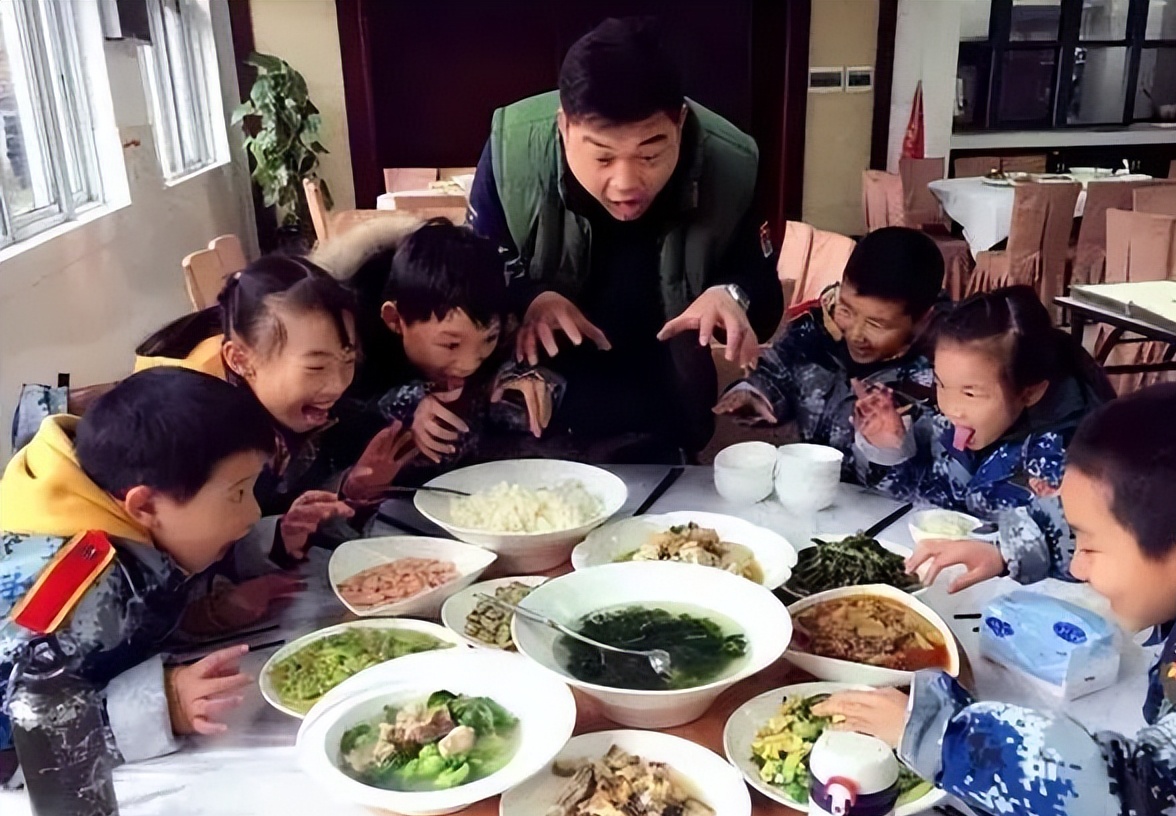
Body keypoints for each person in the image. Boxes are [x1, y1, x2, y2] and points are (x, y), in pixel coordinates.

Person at [816, 381, 1176, 816]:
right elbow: (1112, 505)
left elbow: (1151, 801)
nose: (1078, 565)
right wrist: (1013, 545)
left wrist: (941, 734)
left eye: (1090, 546)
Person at [467, 16, 783, 462]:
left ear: (681, 123)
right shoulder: (512, 154)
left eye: (650, 155)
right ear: (564, 128)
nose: (626, 184)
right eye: (602, 157)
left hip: (667, 402)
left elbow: (763, 293)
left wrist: (731, 294)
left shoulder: (731, 161)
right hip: (545, 401)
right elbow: (472, 282)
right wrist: (529, 296)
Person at [0, 369, 286, 768]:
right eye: (238, 492)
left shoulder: (121, 515)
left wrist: (203, 611)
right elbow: (15, 735)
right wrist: (160, 705)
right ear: (145, 505)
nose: (254, 512)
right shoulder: (67, 585)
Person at [135, 256, 414, 561]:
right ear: (240, 360)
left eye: (348, 361)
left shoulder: (314, 408)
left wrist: (349, 487)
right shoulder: (196, 440)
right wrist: (271, 541)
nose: (337, 385)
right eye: (316, 367)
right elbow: (187, 557)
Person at [853, 286, 1114, 590]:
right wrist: (891, 450)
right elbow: (929, 500)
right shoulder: (952, 424)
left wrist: (1004, 552)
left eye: (970, 393)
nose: (951, 407)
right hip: (955, 583)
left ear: (1029, 392)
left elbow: (1090, 550)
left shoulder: (1073, 458)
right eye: (940, 384)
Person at [713, 227, 944, 482]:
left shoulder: (945, 378)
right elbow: (778, 373)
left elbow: (936, 483)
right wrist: (755, 395)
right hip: (812, 486)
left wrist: (888, 449)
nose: (855, 334)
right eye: (847, 310)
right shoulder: (815, 330)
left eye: (876, 325)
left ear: (923, 319)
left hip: (881, 502)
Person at [338, 219, 560, 479]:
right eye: (451, 344)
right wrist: (407, 413)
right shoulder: (352, 355)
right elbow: (344, 427)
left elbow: (515, 372)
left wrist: (525, 380)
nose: (470, 364)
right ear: (395, 320)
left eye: (489, 339)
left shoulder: (504, 339)